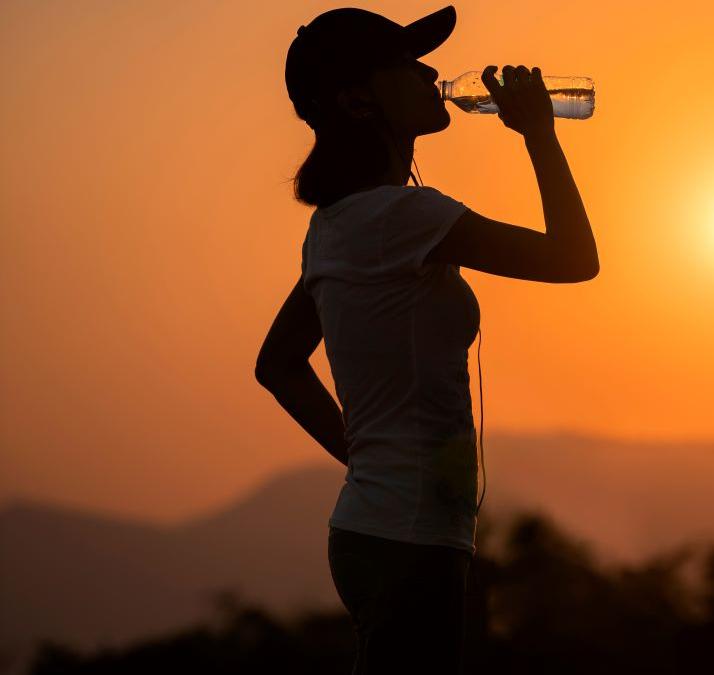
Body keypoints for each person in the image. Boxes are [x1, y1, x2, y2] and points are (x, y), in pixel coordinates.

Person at [253, 5, 598, 673]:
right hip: (408, 544)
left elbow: (279, 365)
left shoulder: (340, 223)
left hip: (379, 531)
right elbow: (572, 258)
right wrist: (538, 135)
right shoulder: (402, 216)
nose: (431, 72)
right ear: (357, 101)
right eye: (407, 65)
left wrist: (365, 456)